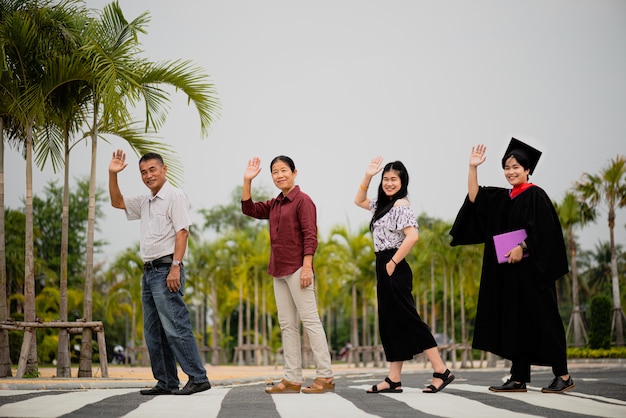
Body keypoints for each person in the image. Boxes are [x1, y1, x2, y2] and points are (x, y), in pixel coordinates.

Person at [449, 138, 575, 394]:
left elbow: (547, 233)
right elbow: (475, 198)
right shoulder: (502, 197)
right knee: (516, 324)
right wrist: (473, 168)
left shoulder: (536, 195)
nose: (511, 172)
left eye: (516, 167)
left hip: (534, 274)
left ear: (528, 169)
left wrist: (523, 247)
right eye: (507, 167)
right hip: (510, 275)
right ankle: (518, 379)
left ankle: (563, 375)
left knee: (545, 321)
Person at [109, 149, 211, 396]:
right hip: (149, 271)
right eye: (143, 172)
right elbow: (117, 202)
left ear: (164, 170)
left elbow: (182, 232)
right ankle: (166, 381)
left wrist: (175, 267)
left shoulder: (175, 196)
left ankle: (198, 377)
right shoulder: (145, 201)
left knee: (175, 325)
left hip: (167, 268)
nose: (148, 175)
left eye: (152, 169)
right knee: (154, 331)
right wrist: (113, 175)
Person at [355, 157, 454, 394]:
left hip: (394, 265)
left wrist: (392, 262)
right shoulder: (382, 204)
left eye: (394, 179)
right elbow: (358, 200)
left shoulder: (401, 205)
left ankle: (441, 370)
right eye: (386, 179)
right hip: (384, 264)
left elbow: (413, 236)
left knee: (410, 320)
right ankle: (393, 379)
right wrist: (368, 175)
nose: (389, 183)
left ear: (403, 181)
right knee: (390, 323)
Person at [241, 155, 335, 394]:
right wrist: (247, 180)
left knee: (311, 322)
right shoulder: (274, 204)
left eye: (284, 170)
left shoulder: (303, 201)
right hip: (278, 270)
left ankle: (325, 376)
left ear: (294, 172)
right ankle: (292, 378)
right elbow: (249, 208)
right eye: (275, 172)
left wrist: (307, 267)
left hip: (297, 269)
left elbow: (310, 235)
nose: (279, 175)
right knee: (287, 326)